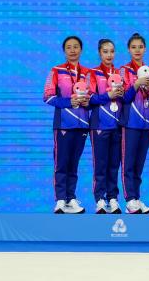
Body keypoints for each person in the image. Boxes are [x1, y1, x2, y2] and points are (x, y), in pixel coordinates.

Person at [44, 35, 91, 214]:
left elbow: (93, 97)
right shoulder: (56, 71)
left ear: (81, 50)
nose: (72, 50)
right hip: (63, 124)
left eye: (76, 47)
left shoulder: (88, 73)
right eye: (69, 47)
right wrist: (68, 102)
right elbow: (47, 97)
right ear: (64, 51)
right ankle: (60, 200)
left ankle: (71, 198)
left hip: (82, 125)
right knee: (61, 163)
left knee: (74, 164)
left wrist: (88, 102)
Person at [119, 33, 149, 214]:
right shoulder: (124, 70)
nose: (137, 50)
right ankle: (129, 199)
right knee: (129, 163)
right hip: (130, 123)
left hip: (147, 124)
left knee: (139, 164)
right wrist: (136, 84)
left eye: (140, 47)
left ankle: (137, 198)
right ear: (128, 49)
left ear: (145, 49)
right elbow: (123, 97)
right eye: (134, 47)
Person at [88, 38, 123, 213]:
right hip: (99, 125)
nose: (109, 55)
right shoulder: (93, 73)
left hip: (117, 126)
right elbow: (89, 98)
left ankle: (113, 197)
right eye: (105, 51)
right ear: (99, 53)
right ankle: (100, 199)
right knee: (101, 164)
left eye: (112, 51)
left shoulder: (120, 73)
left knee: (114, 164)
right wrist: (108, 96)